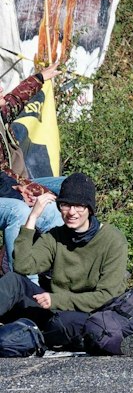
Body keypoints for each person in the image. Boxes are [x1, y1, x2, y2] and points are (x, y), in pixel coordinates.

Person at [9, 172, 127, 350]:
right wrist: (32, 217)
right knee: (13, 283)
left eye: (79, 206)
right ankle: (22, 334)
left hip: (88, 313)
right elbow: (22, 266)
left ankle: (24, 336)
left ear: (90, 209)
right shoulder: (55, 236)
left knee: (63, 324)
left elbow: (106, 296)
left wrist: (56, 300)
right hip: (54, 306)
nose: (72, 212)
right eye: (65, 205)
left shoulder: (113, 239)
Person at [0, 64, 63, 260]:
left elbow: (16, 98)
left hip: (13, 182)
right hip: (7, 187)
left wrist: (39, 78)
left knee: (71, 185)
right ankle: (24, 279)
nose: (2, 89)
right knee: (31, 208)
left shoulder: (1, 114)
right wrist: (25, 190)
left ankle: (79, 255)